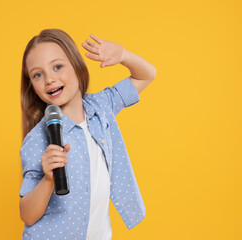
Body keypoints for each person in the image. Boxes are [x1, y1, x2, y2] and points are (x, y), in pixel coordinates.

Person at [19, 28, 156, 240]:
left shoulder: (102, 106)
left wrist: (124, 56)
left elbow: (147, 75)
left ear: (76, 65)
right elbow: (27, 215)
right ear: (32, 86)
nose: (49, 79)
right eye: (38, 74)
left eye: (57, 66)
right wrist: (47, 180)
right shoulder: (38, 138)